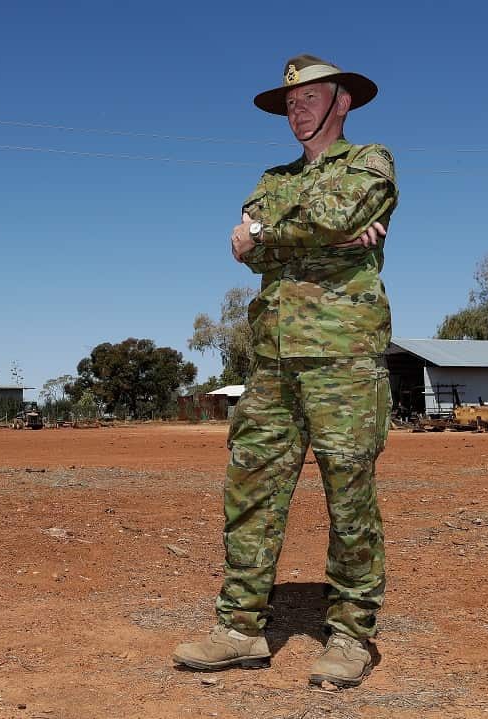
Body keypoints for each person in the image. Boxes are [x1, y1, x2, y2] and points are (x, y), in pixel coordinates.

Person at [172, 54, 398, 688]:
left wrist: (271, 232)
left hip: (343, 358)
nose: (297, 110)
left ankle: (350, 634)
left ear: (342, 102)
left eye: (310, 98)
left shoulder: (370, 162)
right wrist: (311, 234)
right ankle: (240, 627)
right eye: (291, 102)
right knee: (250, 490)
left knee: (348, 495)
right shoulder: (272, 178)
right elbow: (246, 250)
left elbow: (332, 216)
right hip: (271, 360)